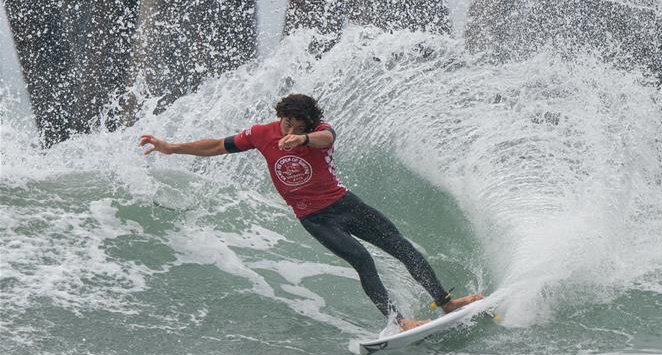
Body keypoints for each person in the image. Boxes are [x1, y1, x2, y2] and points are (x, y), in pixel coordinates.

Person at [139, 93, 482, 330]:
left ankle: (445, 302)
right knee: (362, 260)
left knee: (402, 246)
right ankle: (396, 320)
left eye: (300, 126)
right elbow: (217, 145)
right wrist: (171, 147)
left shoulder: (319, 131)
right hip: (314, 218)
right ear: (282, 118)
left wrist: (303, 141)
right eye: (289, 124)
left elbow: (324, 140)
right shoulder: (262, 134)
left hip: (345, 204)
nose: (292, 130)